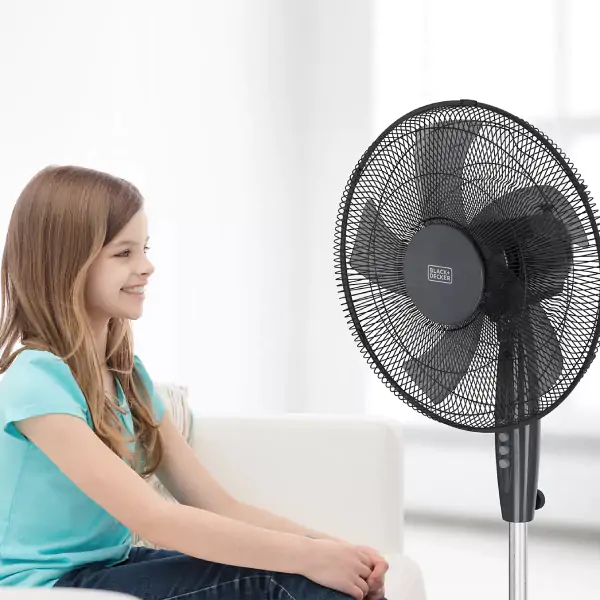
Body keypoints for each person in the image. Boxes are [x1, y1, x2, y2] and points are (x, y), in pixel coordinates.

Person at [0, 165, 389, 600]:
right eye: (124, 253)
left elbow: (220, 505)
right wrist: (308, 558)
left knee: (324, 579)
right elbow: (154, 519)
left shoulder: (127, 377)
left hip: (111, 567)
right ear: (66, 263)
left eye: (144, 249)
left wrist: (336, 551)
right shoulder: (35, 381)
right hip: (49, 585)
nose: (147, 267)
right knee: (288, 580)